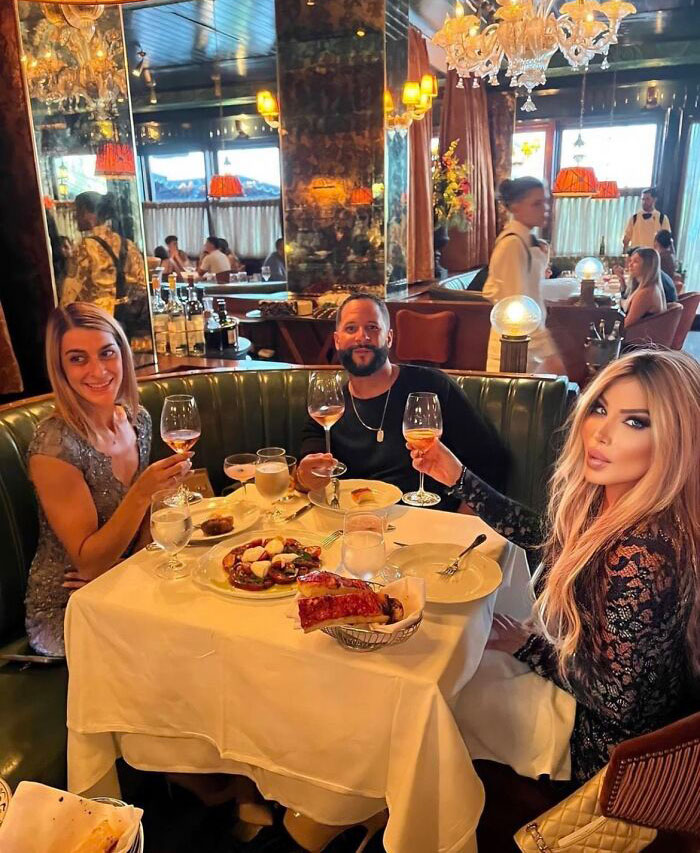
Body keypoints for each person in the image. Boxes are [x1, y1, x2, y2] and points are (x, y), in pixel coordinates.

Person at [408, 349, 699, 845]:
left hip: (603, 750)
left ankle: (435, 829)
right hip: (584, 693)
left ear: (676, 440)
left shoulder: (641, 553)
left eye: (635, 421)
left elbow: (619, 701)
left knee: (440, 702)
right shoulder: (616, 500)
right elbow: (546, 536)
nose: (601, 433)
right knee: (452, 673)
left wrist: (528, 645)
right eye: (601, 408)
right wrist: (459, 478)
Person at [25, 303, 193, 657]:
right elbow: (88, 563)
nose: (98, 370)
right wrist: (143, 493)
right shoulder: (55, 444)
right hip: (69, 605)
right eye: (77, 359)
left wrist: (161, 498)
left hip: (121, 581)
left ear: (123, 355)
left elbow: (143, 539)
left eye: (107, 353)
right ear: (60, 368)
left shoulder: (138, 420)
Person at [296, 294, 510, 510]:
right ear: (337, 340)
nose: (362, 337)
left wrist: (465, 518)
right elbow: (309, 463)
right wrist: (305, 477)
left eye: (372, 328)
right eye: (351, 329)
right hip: (357, 524)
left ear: (389, 338)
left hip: (432, 521)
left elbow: (488, 459)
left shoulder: (431, 386)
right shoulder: (331, 405)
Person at [483, 178, 565, 375]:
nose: (545, 208)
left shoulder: (525, 240)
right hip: (514, 348)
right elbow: (518, 302)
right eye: (537, 204)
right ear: (516, 207)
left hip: (529, 345)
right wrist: (548, 352)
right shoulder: (512, 245)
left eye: (545, 202)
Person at [61, 192, 147, 319]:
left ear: (85, 211)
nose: (74, 217)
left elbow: (69, 293)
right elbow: (142, 285)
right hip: (127, 319)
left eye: (76, 211)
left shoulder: (85, 247)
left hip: (97, 320)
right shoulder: (128, 244)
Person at [617, 247, 668, 326]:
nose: (630, 265)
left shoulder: (646, 293)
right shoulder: (645, 286)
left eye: (636, 261)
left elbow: (626, 325)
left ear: (648, 265)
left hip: (637, 336)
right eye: (631, 261)